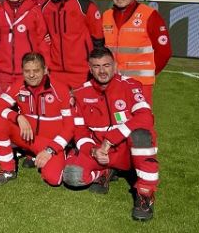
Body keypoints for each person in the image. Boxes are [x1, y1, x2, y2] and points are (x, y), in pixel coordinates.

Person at [63, 48, 159, 222]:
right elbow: (80, 132)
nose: (102, 71)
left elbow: (145, 117)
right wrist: (93, 151)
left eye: (106, 65)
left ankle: (145, 194)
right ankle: (104, 171)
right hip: (102, 152)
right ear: (90, 69)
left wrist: (110, 139)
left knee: (141, 135)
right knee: (71, 175)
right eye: (96, 66)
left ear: (115, 65)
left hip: (128, 153)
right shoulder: (80, 93)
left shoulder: (130, 85)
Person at [0, 52, 72, 186]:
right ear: (22, 71)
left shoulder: (60, 89)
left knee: (53, 179)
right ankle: (7, 170)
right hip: (28, 138)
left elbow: (69, 128)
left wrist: (50, 150)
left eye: (36, 70)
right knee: (0, 123)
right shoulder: (19, 85)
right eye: (27, 71)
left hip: (50, 144)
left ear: (45, 70)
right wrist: (18, 117)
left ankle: (62, 155)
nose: (31, 75)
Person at [102, 0, 172, 103]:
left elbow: (164, 52)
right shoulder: (106, 16)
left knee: (140, 120)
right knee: (116, 120)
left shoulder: (150, 15)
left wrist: (150, 73)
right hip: (112, 81)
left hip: (140, 84)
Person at [41, 0, 104, 89]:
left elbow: (99, 40)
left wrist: (95, 68)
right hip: (55, 73)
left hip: (82, 72)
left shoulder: (85, 6)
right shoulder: (44, 9)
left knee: (82, 107)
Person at [0, 0, 50, 93]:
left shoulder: (34, 11)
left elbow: (42, 39)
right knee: (4, 107)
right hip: (4, 71)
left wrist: (45, 65)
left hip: (28, 70)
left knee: (26, 106)